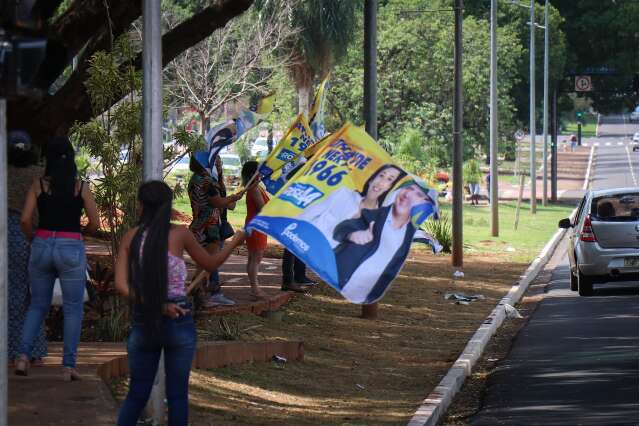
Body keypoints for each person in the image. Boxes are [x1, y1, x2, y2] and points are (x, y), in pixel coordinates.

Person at [114, 181, 245, 425]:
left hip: (144, 318)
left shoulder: (131, 236)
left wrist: (154, 305)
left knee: (136, 394)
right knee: (177, 397)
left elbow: (121, 285)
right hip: (179, 317)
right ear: (168, 207)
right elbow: (210, 264)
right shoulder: (180, 234)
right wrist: (234, 242)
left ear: (140, 205)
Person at [15, 136, 100, 380]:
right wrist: (81, 234)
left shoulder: (38, 185)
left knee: (37, 305)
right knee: (73, 309)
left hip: (41, 244)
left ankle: (22, 357)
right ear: (72, 159)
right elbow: (94, 221)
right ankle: (68, 366)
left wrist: (33, 238)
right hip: (71, 245)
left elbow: (24, 220)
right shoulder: (80, 187)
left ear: (48, 160)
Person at [333, 181, 435, 304]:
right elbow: (341, 229)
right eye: (408, 188)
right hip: (338, 276)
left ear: (425, 205)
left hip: (367, 293)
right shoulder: (373, 215)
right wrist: (352, 234)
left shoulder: (410, 233)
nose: (408, 194)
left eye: (418, 194)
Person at [7, 131, 48, 364]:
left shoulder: (3, 173)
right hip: (35, 235)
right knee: (36, 295)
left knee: (12, 293)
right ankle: (34, 349)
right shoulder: (39, 175)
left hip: (8, 237)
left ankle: (12, 349)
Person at [297, 164, 406, 247]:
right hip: (305, 242)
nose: (381, 181)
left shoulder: (379, 223)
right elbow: (311, 212)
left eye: (389, 179)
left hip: (329, 262)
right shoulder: (343, 194)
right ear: (371, 179)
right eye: (381, 175)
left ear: (391, 189)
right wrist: (294, 229)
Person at [187, 154, 242, 307]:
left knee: (202, 265)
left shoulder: (195, 179)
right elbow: (217, 202)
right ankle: (196, 295)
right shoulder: (206, 180)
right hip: (209, 227)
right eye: (215, 160)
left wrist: (230, 198)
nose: (217, 163)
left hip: (199, 225)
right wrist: (233, 198)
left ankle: (199, 297)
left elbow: (224, 203)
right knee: (208, 265)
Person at [242, 161, 269, 299]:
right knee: (255, 257)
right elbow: (262, 208)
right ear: (253, 173)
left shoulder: (256, 187)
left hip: (257, 225)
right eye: (258, 171)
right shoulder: (253, 188)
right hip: (256, 226)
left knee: (254, 257)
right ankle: (254, 288)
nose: (261, 173)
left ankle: (254, 287)